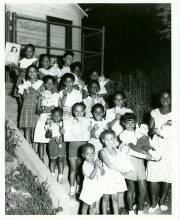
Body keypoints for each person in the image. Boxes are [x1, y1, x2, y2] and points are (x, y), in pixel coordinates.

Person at [119, 113, 153, 215]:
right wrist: (144, 153)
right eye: (127, 123)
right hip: (130, 162)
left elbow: (145, 142)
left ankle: (140, 212)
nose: (130, 125)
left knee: (143, 188)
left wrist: (149, 149)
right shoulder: (123, 134)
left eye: (132, 123)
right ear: (123, 123)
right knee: (131, 188)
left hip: (140, 162)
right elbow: (132, 146)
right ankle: (130, 212)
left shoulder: (138, 132)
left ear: (135, 123)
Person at [146, 89, 172, 213]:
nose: (165, 99)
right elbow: (149, 130)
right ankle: (154, 203)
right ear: (159, 99)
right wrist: (154, 131)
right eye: (163, 97)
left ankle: (162, 201)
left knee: (167, 174)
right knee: (153, 174)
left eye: (168, 97)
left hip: (171, 146)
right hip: (156, 145)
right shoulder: (154, 112)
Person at [99, 130, 128, 214]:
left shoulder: (118, 151)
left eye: (111, 139)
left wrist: (126, 168)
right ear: (103, 140)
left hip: (116, 177)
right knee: (106, 198)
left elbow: (122, 161)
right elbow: (109, 164)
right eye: (106, 139)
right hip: (107, 177)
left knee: (115, 199)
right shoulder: (103, 151)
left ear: (114, 139)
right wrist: (121, 170)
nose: (109, 141)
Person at [66, 102, 90, 199]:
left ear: (84, 112)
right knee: (73, 169)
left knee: (81, 170)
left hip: (83, 147)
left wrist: (91, 130)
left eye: (81, 112)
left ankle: (79, 188)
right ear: (73, 112)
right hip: (72, 147)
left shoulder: (87, 122)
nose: (79, 114)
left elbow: (91, 135)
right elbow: (67, 133)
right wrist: (63, 131)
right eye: (76, 111)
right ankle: (72, 189)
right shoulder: (69, 122)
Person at [34, 75, 60, 162]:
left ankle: (53, 159)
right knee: (42, 140)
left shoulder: (57, 95)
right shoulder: (41, 96)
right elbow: (37, 111)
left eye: (52, 84)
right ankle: (41, 159)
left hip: (53, 119)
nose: (50, 85)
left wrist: (54, 110)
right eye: (48, 84)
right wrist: (43, 110)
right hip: (43, 119)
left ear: (54, 85)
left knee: (53, 141)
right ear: (44, 84)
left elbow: (60, 109)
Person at [18, 65, 44, 146]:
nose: (32, 73)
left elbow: (41, 95)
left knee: (35, 128)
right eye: (30, 71)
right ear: (27, 73)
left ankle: (34, 148)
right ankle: (27, 145)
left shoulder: (41, 83)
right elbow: (24, 97)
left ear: (37, 73)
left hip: (36, 106)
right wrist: (26, 89)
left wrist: (32, 89)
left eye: (34, 71)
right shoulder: (25, 82)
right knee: (27, 127)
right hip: (27, 106)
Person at [79, 143, 104, 214]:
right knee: (86, 205)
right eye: (87, 154)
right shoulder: (85, 165)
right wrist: (96, 167)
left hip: (95, 187)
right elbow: (91, 177)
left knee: (93, 205)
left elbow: (102, 173)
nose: (90, 156)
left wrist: (101, 167)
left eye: (92, 153)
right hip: (88, 188)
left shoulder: (96, 162)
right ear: (83, 155)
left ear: (95, 153)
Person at [45, 107, 66, 183]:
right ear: (52, 116)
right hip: (52, 143)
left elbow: (67, 135)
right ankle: (52, 175)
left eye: (59, 116)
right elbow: (47, 136)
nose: (56, 117)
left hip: (62, 143)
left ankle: (60, 176)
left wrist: (62, 133)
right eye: (54, 116)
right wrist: (49, 128)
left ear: (62, 116)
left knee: (61, 160)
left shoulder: (64, 124)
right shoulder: (50, 124)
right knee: (52, 160)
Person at [14, 44, 38, 109]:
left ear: (33, 52)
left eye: (30, 51)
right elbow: (17, 74)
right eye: (27, 51)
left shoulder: (34, 60)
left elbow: (29, 70)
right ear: (24, 52)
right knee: (19, 98)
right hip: (20, 79)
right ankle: (21, 112)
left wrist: (16, 67)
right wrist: (14, 67)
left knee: (27, 97)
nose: (28, 53)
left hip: (29, 79)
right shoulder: (21, 60)